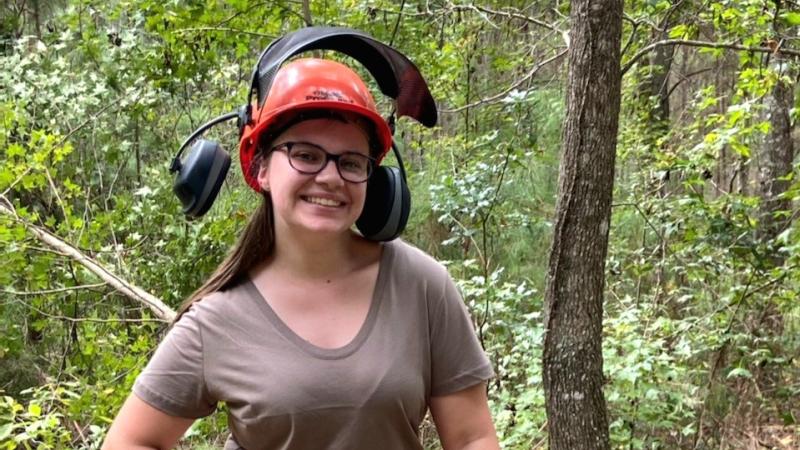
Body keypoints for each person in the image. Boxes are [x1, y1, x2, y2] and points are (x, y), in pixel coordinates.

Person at [103, 57, 499, 450]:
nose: (330, 177)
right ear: (261, 168)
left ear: (374, 181)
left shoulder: (420, 284)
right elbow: (132, 441)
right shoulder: (219, 319)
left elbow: (472, 437)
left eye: (350, 162)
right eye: (305, 155)